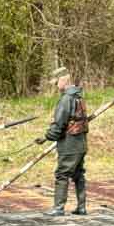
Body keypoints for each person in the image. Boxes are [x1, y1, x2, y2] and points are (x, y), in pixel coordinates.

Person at [34, 67, 88, 216]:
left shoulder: (66, 99)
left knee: (62, 174)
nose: (55, 85)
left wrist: (46, 137)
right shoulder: (79, 96)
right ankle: (81, 207)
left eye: (56, 82)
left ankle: (58, 208)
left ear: (63, 80)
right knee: (78, 174)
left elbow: (59, 124)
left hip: (69, 143)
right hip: (82, 142)